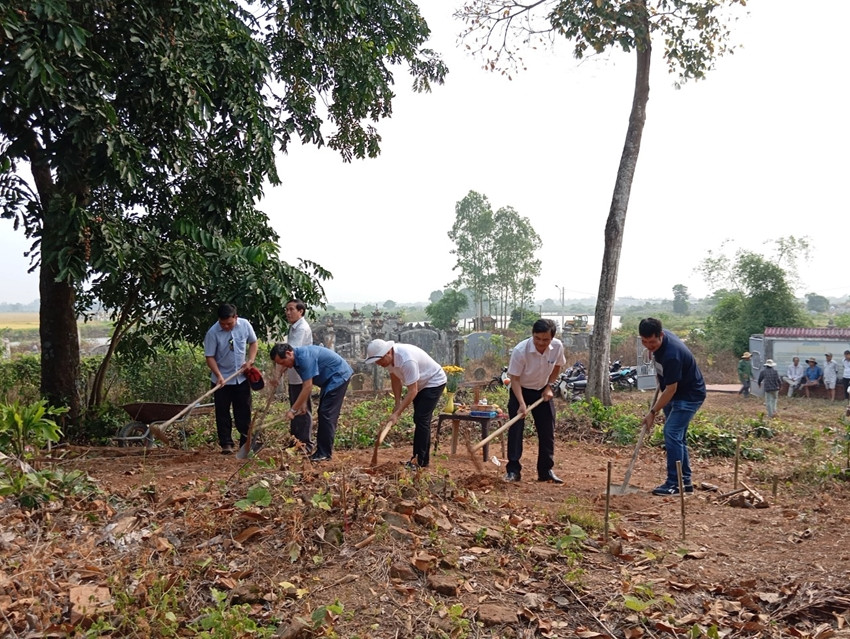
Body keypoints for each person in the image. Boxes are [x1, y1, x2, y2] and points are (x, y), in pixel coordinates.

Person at [639, 317, 706, 496]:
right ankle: (685, 481)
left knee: (671, 433)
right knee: (678, 437)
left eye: (652, 342)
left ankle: (674, 484)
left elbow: (670, 390)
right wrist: (651, 351)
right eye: (644, 342)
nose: (649, 346)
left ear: (661, 335)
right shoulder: (661, 339)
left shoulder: (672, 355)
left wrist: (652, 412)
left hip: (688, 395)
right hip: (677, 393)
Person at [364, 339, 447, 468]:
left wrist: (397, 414)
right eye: (376, 361)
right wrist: (397, 402)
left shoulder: (406, 360)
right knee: (420, 420)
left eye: (379, 360)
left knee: (421, 418)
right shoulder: (389, 360)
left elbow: (412, 391)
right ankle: (421, 459)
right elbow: (395, 379)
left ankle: (419, 461)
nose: (378, 364)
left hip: (433, 381)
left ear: (388, 352)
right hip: (419, 383)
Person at [504, 318, 567, 484]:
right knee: (515, 430)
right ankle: (513, 471)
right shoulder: (520, 351)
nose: (541, 343)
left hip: (542, 391)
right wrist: (522, 403)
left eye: (545, 340)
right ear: (532, 335)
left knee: (547, 431)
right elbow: (515, 379)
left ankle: (545, 471)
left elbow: (557, 366)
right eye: (537, 338)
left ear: (552, 338)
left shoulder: (557, 347)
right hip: (520, 390)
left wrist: (549, 387)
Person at [270, 343, 352, 462]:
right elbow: (306, 383)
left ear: (289, 353)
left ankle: (324, 453)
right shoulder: (296, 360)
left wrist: (292, 410)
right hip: (329, 380)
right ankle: (322, 451)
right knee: (324, 413)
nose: (284, 366)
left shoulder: (304, 358)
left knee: (326, 414)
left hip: (338, 376)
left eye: (283, 362)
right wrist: (303, 405)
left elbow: (308, 387)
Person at [204, 303, 259, 454]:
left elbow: (253, 343)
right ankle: (226, 444)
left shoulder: (245, 325)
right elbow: (209, 357)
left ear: (236, 317)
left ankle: (245, 442)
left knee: (243, 411)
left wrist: (250, 360)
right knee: (222, 412)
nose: (226, 327)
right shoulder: (213, 333)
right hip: (221, 380)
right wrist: (219, 376)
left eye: (229, 323)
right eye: (223, 324)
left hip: (241, 377)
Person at [283, 299, 314, 452]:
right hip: (294, 374)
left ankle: (306, 444)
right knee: (295, 406)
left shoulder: (302, 328)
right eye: (286, 310)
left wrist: (279, 369)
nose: (288, 313)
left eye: (291, 309)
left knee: (303, 408)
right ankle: (295, 441)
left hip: (302, 375)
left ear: (300, 311)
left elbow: (291, 352)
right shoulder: (293, 328)